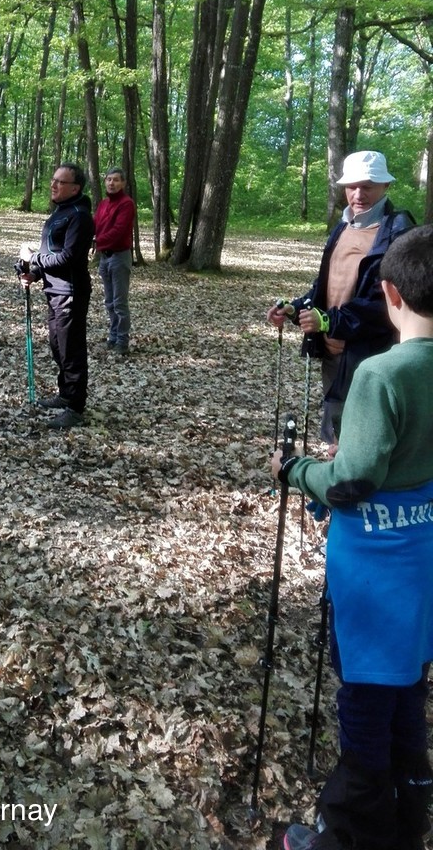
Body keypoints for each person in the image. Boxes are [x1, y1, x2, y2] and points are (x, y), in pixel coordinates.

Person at [271, 224, 433, 850]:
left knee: (364, 696)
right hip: (422, 565)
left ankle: (348, 834)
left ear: (390, 294)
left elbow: (352, 481)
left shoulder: (382, 374)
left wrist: (296, 471)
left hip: (374, 570)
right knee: (408, 688)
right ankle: (408, 819)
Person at [266, 150, 413, 446]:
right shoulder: (343, 226)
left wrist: (327, 321)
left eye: (367, 186)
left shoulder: (398, 232)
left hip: (373, 357)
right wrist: (296, 308)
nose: (358, 194)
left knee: (365, 441)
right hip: (335, 353)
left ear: (385, 186)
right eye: (352, 186)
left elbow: (386, 304)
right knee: (337, 437)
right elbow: (325, 285)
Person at [18, 162, 94, 429]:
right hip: (54, 291)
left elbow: (69, 257)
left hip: (70, 292)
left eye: (61, 182)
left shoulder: (80, 216)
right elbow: (50, 251)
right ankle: (65, 394)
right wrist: (34, 273)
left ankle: (75, 408)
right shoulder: (59, 212)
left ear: (75, 188)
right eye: (53, 180)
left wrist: (34, 258)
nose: (53, 185)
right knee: (57, 346)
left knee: (71, 350)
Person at [93, 167, 136, 355]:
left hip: (120, 257)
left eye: (116, 180)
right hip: (104, 257)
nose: (112, 183)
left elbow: (118, 231)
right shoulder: (103, 204)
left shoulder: (126, 204)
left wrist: (96, 241)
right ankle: (113, 336)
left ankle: (122, 341)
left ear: (123, 183)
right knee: (109, 301)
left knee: (119, 302)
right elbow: (94, 225)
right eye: (109, 179)